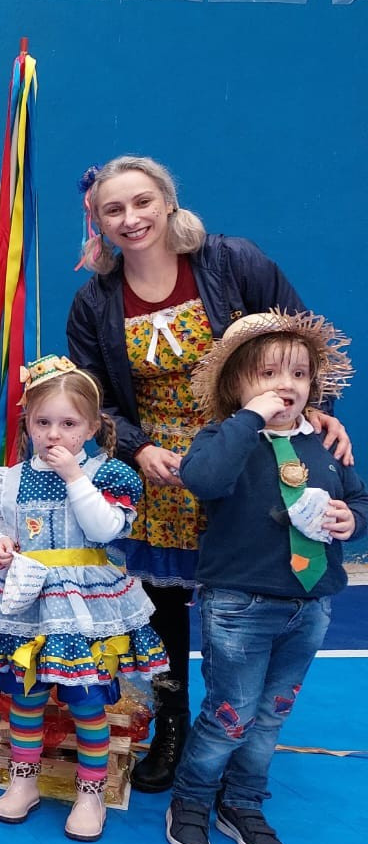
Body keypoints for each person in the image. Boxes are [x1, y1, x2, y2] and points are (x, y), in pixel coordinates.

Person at [67, 155, 352, 793]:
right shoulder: (94, 303)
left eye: (142, 202)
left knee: (242, 600)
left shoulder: (233, 262)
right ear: (99, 223)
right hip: (160, 475)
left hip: (247, 459)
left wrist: (319, 413)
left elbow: (301, 344)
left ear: (168, 202)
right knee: (163, 607)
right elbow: (94, 399)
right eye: (114, 210)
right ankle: (171, 726)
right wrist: (138, 448)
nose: (131, 218)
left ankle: (232, 730)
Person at [168, 312, 365, 844]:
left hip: (311, 604)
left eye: (299, 374)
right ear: (237, 384)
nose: (286, 385)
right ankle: (191, 800)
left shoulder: (324, 443)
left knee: (272, 714)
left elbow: (360, 497)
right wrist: (250, 417)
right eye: (268, 374)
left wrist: (354, 520)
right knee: (230, 713)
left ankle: (243, 801)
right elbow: (202, 479)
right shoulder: (223, 438)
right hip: (239, 603)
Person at [0, 356, 167, 841]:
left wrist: (76, 476)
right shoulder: (7, 479)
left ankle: (90, 792)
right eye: (42, 422)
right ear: (28, 423)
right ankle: (24, 781)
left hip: (83, 608)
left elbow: (104, 529)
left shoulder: (105, 474)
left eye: (69, 423)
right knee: (26, 696)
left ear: (93, 427)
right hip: (26, 601)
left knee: (87, 701)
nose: (54, 434)